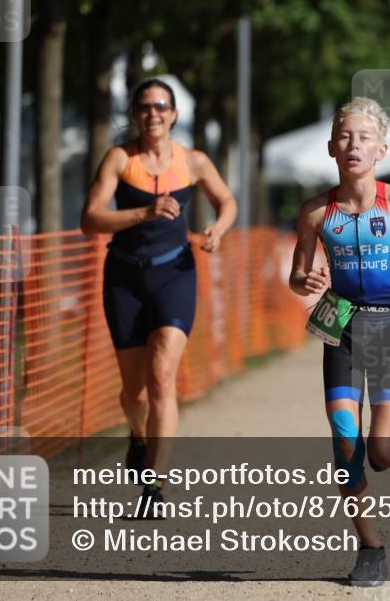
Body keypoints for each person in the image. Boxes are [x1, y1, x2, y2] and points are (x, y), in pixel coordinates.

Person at [289, 97, 390, 586]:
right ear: (332, 147)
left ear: (381, 148)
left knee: (386, 453)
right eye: (345, 136)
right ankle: (370, 547)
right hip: (340, 330)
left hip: (387, 332)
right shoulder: (316, 212)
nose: (353, 144)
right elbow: (297, 273)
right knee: (343, 439)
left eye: (363, 137)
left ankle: (372, 462)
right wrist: (305, 281)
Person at [80, 79, 236, 512]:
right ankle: (137, 432)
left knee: (162, 377)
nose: (154, 114)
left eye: (161, 106)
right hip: (124, 279)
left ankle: (154, 486)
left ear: (173, 114)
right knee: (135, 393)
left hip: (176, 274)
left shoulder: (193, 161)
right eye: (145, 107)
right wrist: (145, 212)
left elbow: (227, 202)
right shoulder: (119, 159)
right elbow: (90, 220)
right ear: (135, 114)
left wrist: (217, 231)